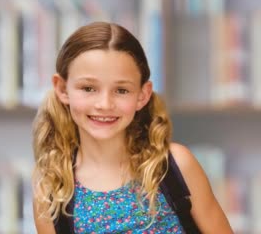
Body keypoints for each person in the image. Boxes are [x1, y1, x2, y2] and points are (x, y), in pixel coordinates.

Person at [32, 21, 233, 233]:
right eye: (89, 88)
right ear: (62, 89)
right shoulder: (51, 188)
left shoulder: (176, 166)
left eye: (121, 90)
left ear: (143, 95)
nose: (105, 104)